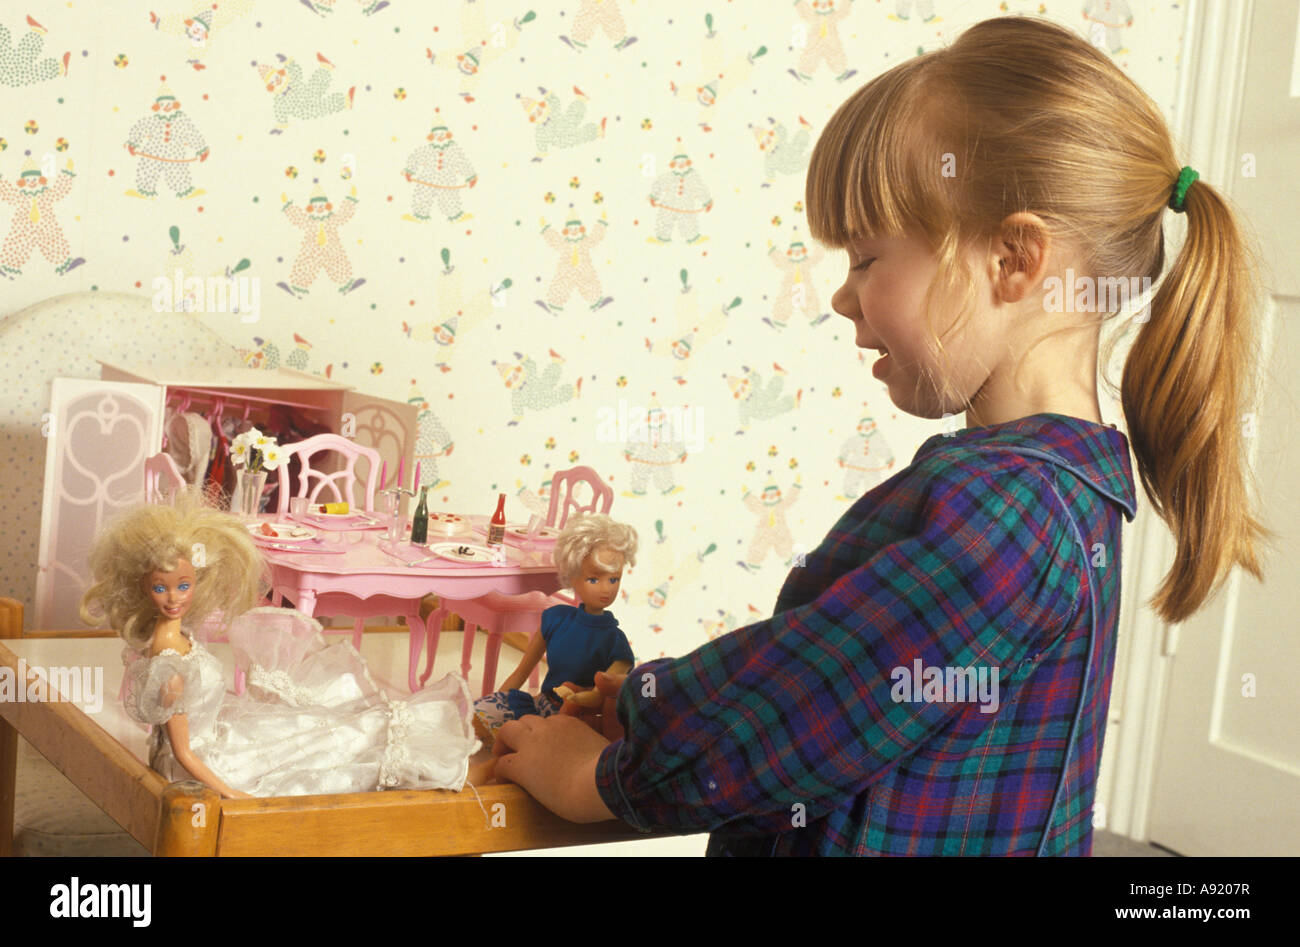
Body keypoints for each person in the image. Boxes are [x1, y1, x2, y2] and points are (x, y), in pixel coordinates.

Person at [488, 16, 1276, 855]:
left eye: (867, 259)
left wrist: (597, 778)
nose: (842, 296)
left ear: (1013, 260)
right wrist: (654, 705)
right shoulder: (1057, 492)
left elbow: (806, 708)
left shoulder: (1008, 511)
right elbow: (829, 657)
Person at [79, 487, 481, 798]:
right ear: (142, 588)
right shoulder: (169, 662)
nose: (174, 598)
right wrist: (230, 793)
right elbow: (182, 752)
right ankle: (462, 776)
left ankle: (455, 766)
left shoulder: (171, 638)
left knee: (326, 725)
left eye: (183, 585)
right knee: (336, 743)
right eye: (160, 588)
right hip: (209, 762)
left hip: (220, 735)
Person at [473, 513, 637, 744]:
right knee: (478, 716)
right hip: (543, 704)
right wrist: (499, 699)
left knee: (525, 740)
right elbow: (521, 672)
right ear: (573, 576)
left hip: (575, 717)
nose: (606, 589)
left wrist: (580, 696)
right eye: (594, 579)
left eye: (614, 579)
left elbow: (599, 695)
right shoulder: (555, 618)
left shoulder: (615, 641)